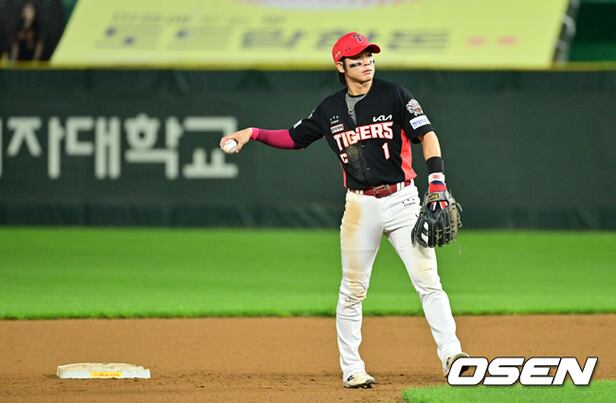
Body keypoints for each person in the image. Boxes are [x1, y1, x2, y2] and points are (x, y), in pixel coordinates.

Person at [220, 32, 468, 389]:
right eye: (357, 60)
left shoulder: (395, 95)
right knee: (353, 290)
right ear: (341, 66)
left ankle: (452, 355)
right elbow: (294, 137)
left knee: (428, 281)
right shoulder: (329, 110)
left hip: (402, 200)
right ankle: (352, 368)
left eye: (369, 57)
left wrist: (438, 182)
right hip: (359, 206)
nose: (366, 64)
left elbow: (427, 135)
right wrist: (253, 133)